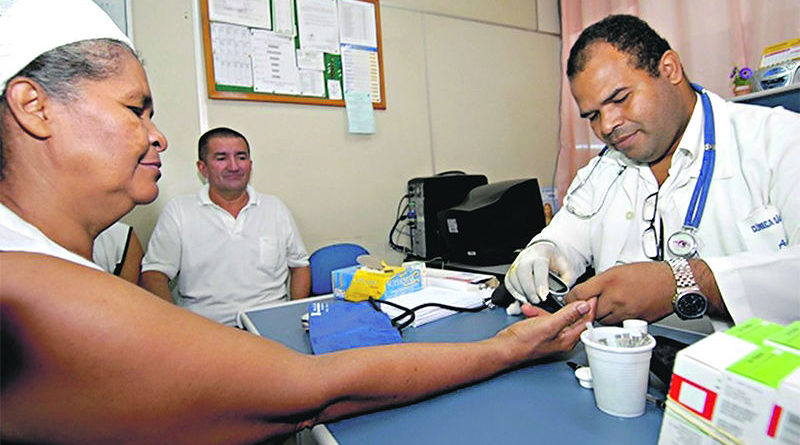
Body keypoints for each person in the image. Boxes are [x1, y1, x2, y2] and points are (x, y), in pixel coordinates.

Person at [0, 1, 595, 443]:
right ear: (34, 107)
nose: (157, 135)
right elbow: (313, 389)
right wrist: (508, 348)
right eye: (135, 109)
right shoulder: (33, 290)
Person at [506, 14, 800, 331]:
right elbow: (563, 240)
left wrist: (686, 281)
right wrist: (542, 255)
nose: (606, 126)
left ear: (669, 70)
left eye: (619, 98)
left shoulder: (778, 140)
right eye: (593, 115)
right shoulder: (602, 171)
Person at [140, 127, 311, 326]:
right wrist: (177, 325)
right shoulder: (179, 211)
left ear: (250, 164)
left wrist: (294, 315)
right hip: (206, 328)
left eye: (241, 157)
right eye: (221, 158)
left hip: (269, 324)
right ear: (202, 168)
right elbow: (153, 274)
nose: (234, 166)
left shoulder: (275, 208)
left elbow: (300, 266)